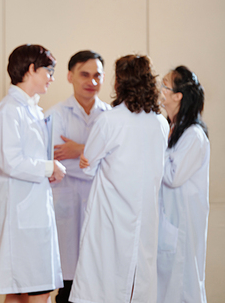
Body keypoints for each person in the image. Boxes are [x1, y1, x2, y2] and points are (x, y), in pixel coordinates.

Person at [69, 54, 169, 303]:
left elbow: (88, 165)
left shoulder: (109, 120)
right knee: (139, 282)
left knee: (104, 284)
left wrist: (86, 157)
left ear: (120, 83)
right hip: (145, 216)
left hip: (111, 216)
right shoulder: (160, 122)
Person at [0, 44, 66, 303]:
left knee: (21, 292)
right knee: (37, 289)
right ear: (31, 69)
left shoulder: (31, 109)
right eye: (49, 71)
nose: (52, 78)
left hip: (30, 212)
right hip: (20, 216)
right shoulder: (9, 110)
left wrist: (47, 169)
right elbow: (10, 161)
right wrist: (48, 167)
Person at [45, 50, 110, 303]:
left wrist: (79, 150)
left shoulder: (110, 116)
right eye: (85, 74)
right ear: (70, 76)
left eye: (97, 76)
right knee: (68, 286)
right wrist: (96, 156)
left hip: (100, 207)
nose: (92, 82)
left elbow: (116, 162)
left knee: (100, 281)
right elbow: (54, 163)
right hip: (66, 207)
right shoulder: (54, 115)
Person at [157, 66, 210, 303]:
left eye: (165, 84)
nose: (160, 89)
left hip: (182, 225)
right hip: (167, 224)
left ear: (177, 95)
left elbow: (172, 176)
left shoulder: (193, 135)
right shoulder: (170, 128)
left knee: (182, 287)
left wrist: (154, 148)